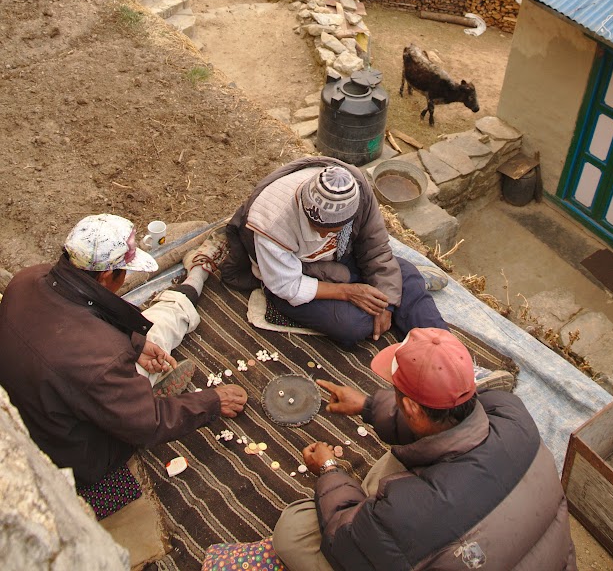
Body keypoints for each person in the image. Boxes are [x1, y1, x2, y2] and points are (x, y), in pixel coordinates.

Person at [271, 328, 577, 571]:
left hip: (411, 525)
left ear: (412, 408)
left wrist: (329, 470)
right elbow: (437, 418)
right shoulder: (510, 411)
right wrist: (368, 406)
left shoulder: (403, 513)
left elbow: (344, 541)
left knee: (293, 531)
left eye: (396, 394)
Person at [0, 213, 247, 490]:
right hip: (77, 452)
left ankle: (186, 294)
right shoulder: (105, 358)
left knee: (147, 337)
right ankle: (192, 286)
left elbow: (78, 327)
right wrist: (211, 402)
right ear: (107, 276)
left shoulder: (27, 278)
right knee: (159, 329)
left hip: (35, 408)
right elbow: (148, 425)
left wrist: (136, 344)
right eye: (125, 271)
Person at [221, 157, 448, 347]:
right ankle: (404, 297)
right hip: (294, 275)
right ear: (303, 205)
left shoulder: (358, 195)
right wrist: (348, 292)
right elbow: (287, 285)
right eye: (314, 225)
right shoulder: (272, 221)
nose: (321, 235)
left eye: (331, 229)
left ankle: (444, 350)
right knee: (352, 325)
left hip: (338, 259)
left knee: (405, 273)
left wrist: (385, 303)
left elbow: (375, 248)